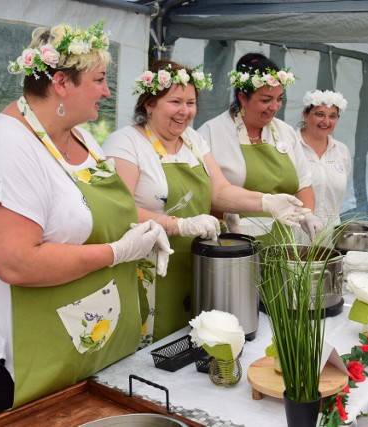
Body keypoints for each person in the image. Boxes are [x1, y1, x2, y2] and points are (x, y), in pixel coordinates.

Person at [0, 21, 173, 426]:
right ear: (62, 82)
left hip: (69, 342)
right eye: (100, 79)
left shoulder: (80, 137)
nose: (107, 90)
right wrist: (117, 253)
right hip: (9, 354)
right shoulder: (6, 151)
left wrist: (170, 226)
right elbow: (16, 262)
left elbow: (97, 210)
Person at [103, 59, 307, 343]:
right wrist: (177, 225)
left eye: (190, 102)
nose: (184, 112)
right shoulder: (125, 143)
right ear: (149, 104)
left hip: (197, 266)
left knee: (199, 339)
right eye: (175, 101)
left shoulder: (193, 141)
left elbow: (220, 191)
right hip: (149, 270)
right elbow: (117, 210)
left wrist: (268, 202)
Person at [197, 52, 323, 242]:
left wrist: (307, 214)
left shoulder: (285, 133)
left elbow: (303, 185)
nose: (274, 106)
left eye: (279, 98)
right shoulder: (211, 133)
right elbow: (203, 194)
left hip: (281, 244)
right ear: (242, 97)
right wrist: (226, 213)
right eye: (265, 100)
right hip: (231, 243)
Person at [296, 90, 351, 243]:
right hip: (295, 233)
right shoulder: (291, 147)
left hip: (331, 235)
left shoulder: (341, 151)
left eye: (332, 116)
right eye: (320, 114)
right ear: (305, 115)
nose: (326, 121)